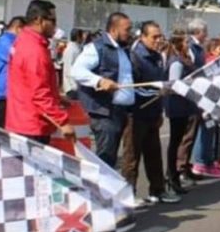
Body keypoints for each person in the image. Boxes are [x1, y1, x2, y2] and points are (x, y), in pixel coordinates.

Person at [124, 21, 180, 205]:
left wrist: (159, 110)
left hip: (152, 113)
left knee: (154, 154)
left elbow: (159, 85)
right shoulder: (134, 57)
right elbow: (133, 87)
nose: (158, 40)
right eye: (154, 37)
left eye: (160, 36)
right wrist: (157, 93)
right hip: (135, 114)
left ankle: (158, 190)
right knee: (132, 157)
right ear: (143, 37)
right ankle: (128, 194)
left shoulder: (157, 56)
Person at [71, 14, 135, 169]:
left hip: (120, 112)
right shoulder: (97, 48)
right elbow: (77, 71)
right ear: (113, 30)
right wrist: (99, 81)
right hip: (105, 113)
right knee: (105, 159)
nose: (130, 33)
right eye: (127, 29)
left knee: (112, 158)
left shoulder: (123, 50)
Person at [5, 0, 73, 145]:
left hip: (22, 120)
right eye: (53, 21)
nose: (55, 26)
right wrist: (63, 121)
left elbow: (30, 83)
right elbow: (39, 93)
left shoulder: (23, 40)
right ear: (39, 20)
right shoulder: (34, 50)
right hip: (33, 125)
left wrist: (57, 98)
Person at [164, 29, 200, 195]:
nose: (188, 45)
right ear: (178, 44)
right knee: (175, 142)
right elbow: (174, 86)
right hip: (177, 107)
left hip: (184, 106)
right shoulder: (176, 63)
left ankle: (174, 175)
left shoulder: (183, 59)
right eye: (185, 42)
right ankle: (172, 176)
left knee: (178, 141)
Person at [192, 37, 220, 179]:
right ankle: (201, 163)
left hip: (213, 104)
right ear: (212, 50)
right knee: (205, 133)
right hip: (208, 105)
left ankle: (206, 162)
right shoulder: (212, 64)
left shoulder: (215, 62)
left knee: (208, 133)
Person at [0, 16, 25, 128]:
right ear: (18, 28)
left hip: (12, 93)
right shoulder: (5, 41)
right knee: (0, 130)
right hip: (3, 93)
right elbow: (19, 60)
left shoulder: (13, 41)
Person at [62, 28, 87, 99]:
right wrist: (74, 86)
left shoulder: (77, 48)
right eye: (82, 36)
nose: (83, 38)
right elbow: (69, 69)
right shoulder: (71, 50)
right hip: (72, 87)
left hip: (77, 86)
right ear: (78, 37)